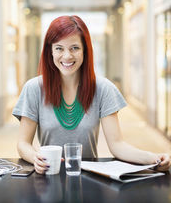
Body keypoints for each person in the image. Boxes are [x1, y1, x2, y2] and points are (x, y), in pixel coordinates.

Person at [12, 15, 170, 175]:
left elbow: (117, 145)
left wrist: (153, 158)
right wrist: (35, 158)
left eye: (74, 48)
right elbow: (23, 144)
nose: (67, 56)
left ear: (85, 50)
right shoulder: (34, 88)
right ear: (50, 51)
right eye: (59, 48)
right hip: (49, 174)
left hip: (89, 177)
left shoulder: (103, 89)